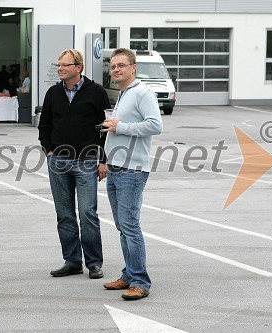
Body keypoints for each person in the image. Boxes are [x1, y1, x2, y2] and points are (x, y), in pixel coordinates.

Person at [38, 49, 111, 280]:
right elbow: (45, 125)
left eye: (64, 65)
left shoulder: (96, 92)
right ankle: (72, 261)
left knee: (88, 212)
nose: (59, 69)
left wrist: (102, 160)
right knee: (64, 214)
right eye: (58, 65)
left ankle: (94, 263)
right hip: (58, 161)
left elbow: (106, 128)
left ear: (78, 67)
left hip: (87, 160)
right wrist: (49, 150)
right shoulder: (53, 92)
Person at [101, 48, 163, 300]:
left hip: (132, 169)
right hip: (116, 167)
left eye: (121, 65)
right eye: (113, 66)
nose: (115, 69)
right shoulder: (123, 93)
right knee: (121, 226)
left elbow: (155, 125)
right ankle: (129, 274)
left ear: (133, 68)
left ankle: (140, 281)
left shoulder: (142, 92)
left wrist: (120, 126)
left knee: (130, 226)